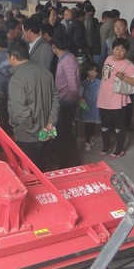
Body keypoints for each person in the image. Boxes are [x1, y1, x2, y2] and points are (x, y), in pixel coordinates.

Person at [7, 38, 60, 171]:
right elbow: (55, 99)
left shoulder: (16, 79)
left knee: (30, 173)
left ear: (13, 57)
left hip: (27, 137)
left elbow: (20, 112)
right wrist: (50, 122)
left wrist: (37, 131)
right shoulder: (46, 73)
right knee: (44, 170)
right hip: (47, 132)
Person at [97, 38, 134, 159]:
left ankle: (119, 149)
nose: (119, 52)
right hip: (104, 97)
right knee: (105, 125)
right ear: (112, 49)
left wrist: (123, 78)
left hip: (117, 100)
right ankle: (106, 146)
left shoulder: (128, 64)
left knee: (119, 126)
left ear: (126, 51)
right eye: (117, 49)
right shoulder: (108, 59)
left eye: (122, 50)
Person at [52, 33, 81, 168]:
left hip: (66, 102)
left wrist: (73, 99)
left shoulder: (67, 61)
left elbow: (73, 87)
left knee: (65, 132)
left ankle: (68, 161)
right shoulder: (66, 57)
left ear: (54, 47)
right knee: (64, 131)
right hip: (65, 101)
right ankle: (66, 159)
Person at [79, 62, 101, 152]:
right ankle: (87, 141)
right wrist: (81, 101)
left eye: (94, 71)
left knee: (93, 124)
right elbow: (80, 95)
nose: (92, 73)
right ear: (87, 71)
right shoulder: (83, 83)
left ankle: (90, 137)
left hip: (96, 106)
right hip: (86, 106)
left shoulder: (100, 83)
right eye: (90, 70)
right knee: (87, 124)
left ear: (98, 73)